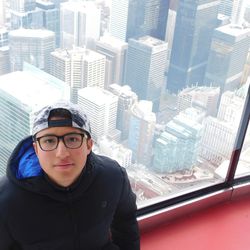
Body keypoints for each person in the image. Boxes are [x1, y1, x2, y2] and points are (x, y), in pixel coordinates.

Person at [0, 100, 140, 250]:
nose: (62, 153)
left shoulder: (112, 177)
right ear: (36, 149)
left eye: (72, 139)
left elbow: (126, 224)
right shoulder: (7, 200)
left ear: (88, 145)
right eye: (49, 141)